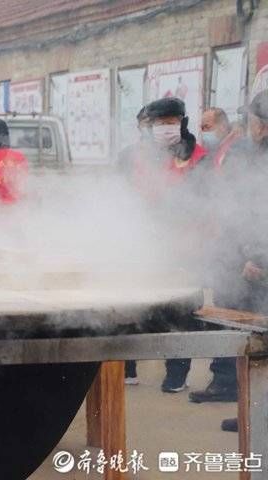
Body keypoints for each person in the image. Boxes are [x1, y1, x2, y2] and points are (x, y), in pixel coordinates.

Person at [193, 90, 268, 432]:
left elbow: (258, 213)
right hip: (254, 259)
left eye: (252, 119)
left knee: (259, 342)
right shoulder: (256, 155)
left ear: (262, 126)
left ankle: (257, 418)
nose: (249, 126)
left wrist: (254, 256)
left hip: (260, 265)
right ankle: (252, 415)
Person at [128, 97, 208, 394]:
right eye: (160, 124)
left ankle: (176, 374)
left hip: (185, 246)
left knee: (180, 312)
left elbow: (206, 200)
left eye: (172, 122)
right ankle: (127, 367)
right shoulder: (140, 156)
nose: (166, 129)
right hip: (145, 245)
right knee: (137, 306)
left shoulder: (197, 156)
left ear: (182, 122)